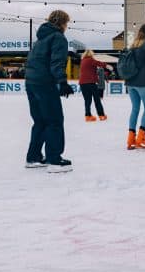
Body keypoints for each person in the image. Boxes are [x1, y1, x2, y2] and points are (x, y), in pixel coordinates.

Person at [24, 10, 74, 173]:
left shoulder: (40, 39)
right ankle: (54, 159)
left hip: (31, 83)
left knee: (40, 121)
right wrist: (63, 82)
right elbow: (56, 63)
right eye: (66, 23)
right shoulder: (58, 37)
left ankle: (33, 157)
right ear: (62, 23)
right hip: (45, 84)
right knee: (54, 120)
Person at [78, 49, 110, 122]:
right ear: (90, 54)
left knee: (87, 100)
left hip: (82, 83)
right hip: (91, 83)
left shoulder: (83, 61)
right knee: (97, 99)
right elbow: (98, 63)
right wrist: (106, 65)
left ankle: (88, 116)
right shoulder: (90, 60)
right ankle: (101, 115)